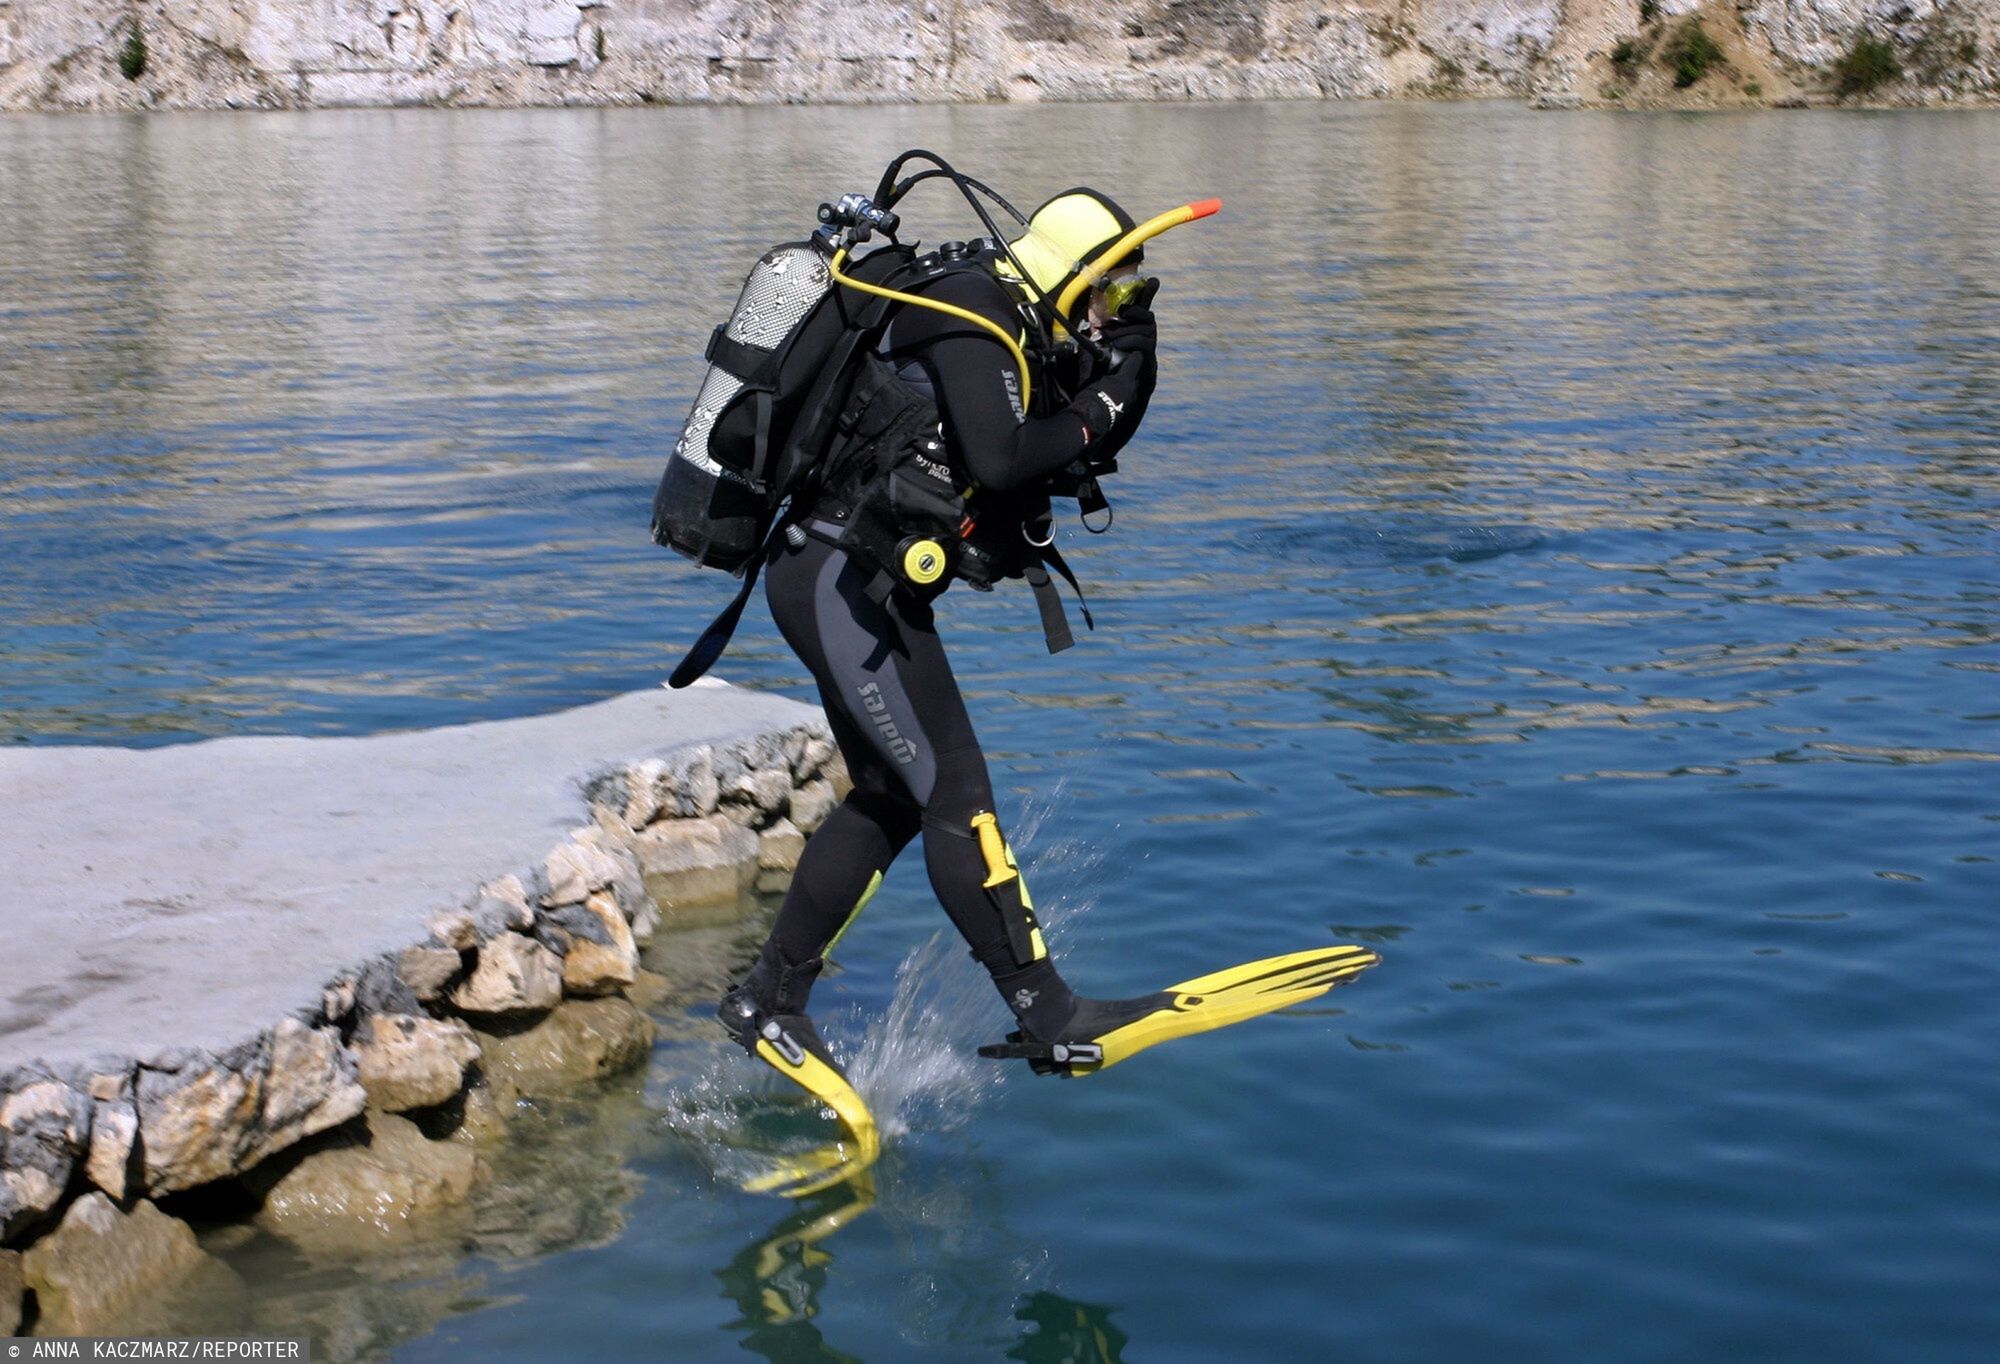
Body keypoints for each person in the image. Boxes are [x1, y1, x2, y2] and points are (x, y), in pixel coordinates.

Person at [717, 188, 1166, 1076]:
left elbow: (1059, 443)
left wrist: (1121, 380)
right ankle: (1047, 1010)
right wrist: (1111, 391)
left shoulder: (1009, 320)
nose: (1122, 312)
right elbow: (1005, 458)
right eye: (1119, 292)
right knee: (956, 796)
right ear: (1074, 276)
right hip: (843, 582)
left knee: (891, 796)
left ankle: (767, 999)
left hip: (842, 577)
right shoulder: (972, 317)